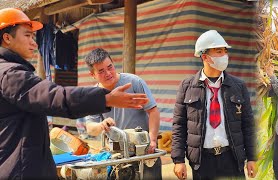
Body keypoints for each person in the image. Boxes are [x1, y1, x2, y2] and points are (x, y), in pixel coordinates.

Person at [0, 8, 149, 179]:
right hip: (19, 170)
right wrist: (106, 98)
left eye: (34, 37)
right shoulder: (10, 75)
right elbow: (54, 97)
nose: (34, 43)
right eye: (27, 36)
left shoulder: (8, 71)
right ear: (7, 38)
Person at [171, 30, 257, 179]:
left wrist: (252, 158)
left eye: (225, 51)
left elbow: (248, 125)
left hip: (232, 158)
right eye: (219, 51)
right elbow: (179, 125)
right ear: (205, 57)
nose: (225, 55)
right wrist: (178, 160)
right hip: (202, 162)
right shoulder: (187, 87)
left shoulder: (238, 86)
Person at [84, 48, 162, 180]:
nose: (108, 73)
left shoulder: (134, 82)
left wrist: (152, 139)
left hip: (144, 148)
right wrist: (101, 125)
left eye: (110, 67)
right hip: (116, 154)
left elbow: (153, 111)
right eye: (101, 71)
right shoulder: (93, 95)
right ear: (92, 75)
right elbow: (90, 128)